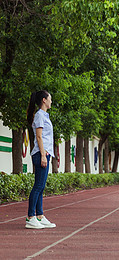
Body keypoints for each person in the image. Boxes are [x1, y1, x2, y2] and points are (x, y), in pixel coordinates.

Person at [25, 90, 56, 229]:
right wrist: (43, 155)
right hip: (40, 154)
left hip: (45, 153)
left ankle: (40, 215)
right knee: (38, 186)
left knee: (41, 186)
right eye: (50, 98)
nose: (51, 101)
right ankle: (31, 217)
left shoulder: (44, 116)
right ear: (44, 100)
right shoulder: (39, 116)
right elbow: (39, 137)